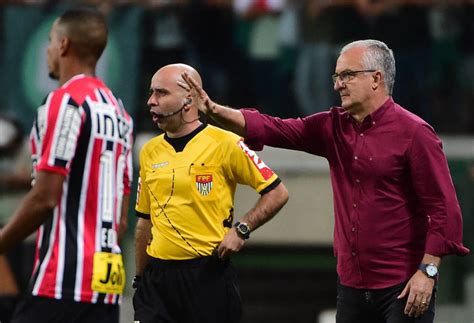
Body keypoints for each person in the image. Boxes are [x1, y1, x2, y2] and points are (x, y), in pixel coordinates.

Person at [182, 39, 470, 323]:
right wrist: (214, 110)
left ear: (376, 78)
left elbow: (444, 209)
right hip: (351, 288)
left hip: (404, 286)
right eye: (337, 76)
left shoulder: (415, 133)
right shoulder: (331, 126)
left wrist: (428, 272)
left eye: (347, 75)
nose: (337, 84)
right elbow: (272, 128)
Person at [0, 7, 133, 323]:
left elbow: (45, 198)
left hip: (63, 280)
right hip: (106, 282)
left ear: (63, 46)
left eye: (50, 41)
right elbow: (122, 218)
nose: (47, 50)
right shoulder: (120, 113)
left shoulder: (65, 102)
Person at [132, 63, 289, 323]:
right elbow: (144, 222)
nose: (151, 101)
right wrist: (139, 279)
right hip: (157, 280)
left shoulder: (226, 143)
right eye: (151, 93)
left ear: (189, 99)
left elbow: (277, 192)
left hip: (207, 275)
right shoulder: (149, 151)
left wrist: (242, 229)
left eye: (161, 93)